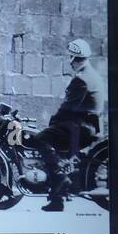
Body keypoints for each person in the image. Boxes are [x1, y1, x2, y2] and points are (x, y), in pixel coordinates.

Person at [32, 38, 105, 212]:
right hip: (88, 126)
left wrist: (52, 123)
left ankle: (59, 178)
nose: (70, 62)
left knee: (40, 139)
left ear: (74, 58)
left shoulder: (81, 79)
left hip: (81, 127)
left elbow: (66, 108)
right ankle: (57, 199)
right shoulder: (93, 75)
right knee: (54, 144)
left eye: (71, 57)